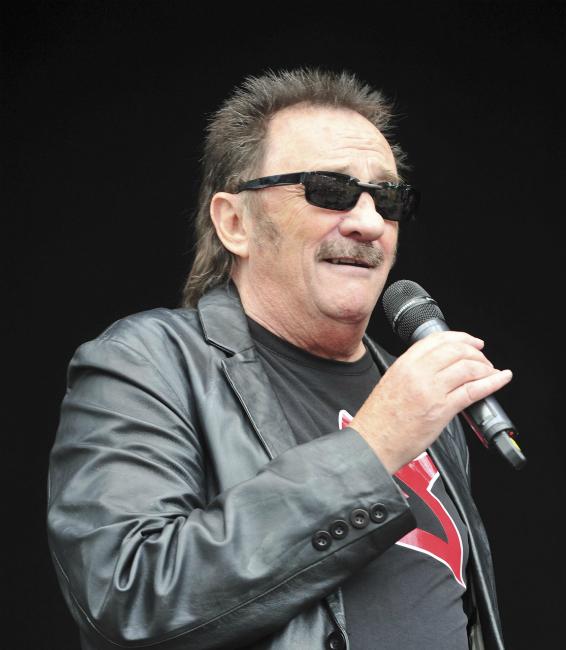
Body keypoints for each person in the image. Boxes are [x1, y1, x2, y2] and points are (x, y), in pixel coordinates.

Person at [48, 68, 512, 650]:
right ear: (234, 222)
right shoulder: (146, 364)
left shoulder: (417, 395)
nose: (370, 222)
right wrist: (370, 451)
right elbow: (128, 599)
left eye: (388, 198)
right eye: (329, 190)